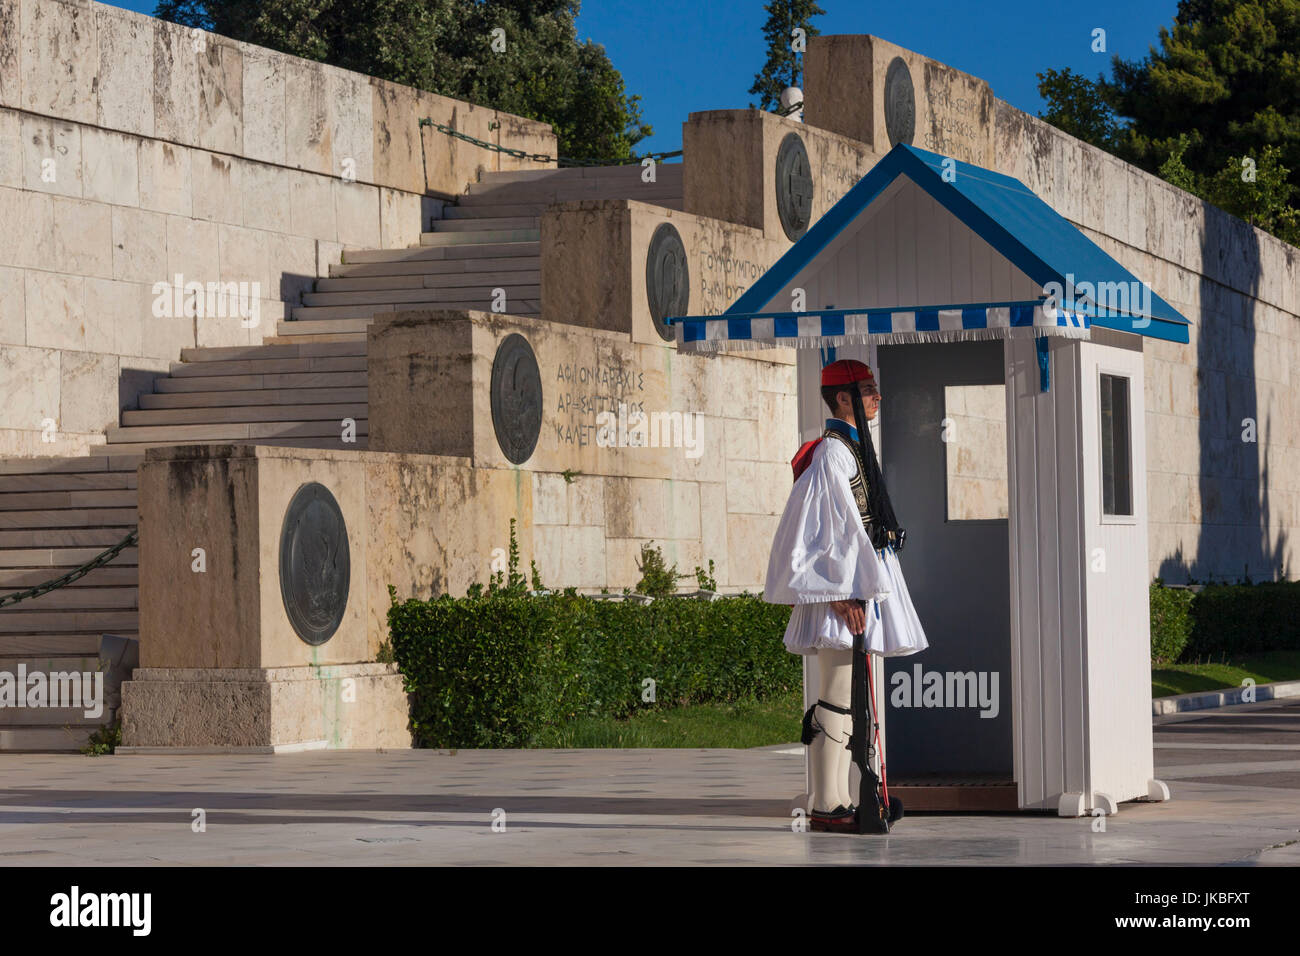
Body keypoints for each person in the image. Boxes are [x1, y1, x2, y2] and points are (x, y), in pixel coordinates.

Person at [764, 359, 928, 833]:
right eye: (868, 391)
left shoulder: (852, 450)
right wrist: (838, 594)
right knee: (834, 697)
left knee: (846, 696)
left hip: (851, 590)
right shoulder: (832, 454)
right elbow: (817, 532)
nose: (877, 398)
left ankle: (835, 799)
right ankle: (825, 804)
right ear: (842, 398)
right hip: (840, 596)